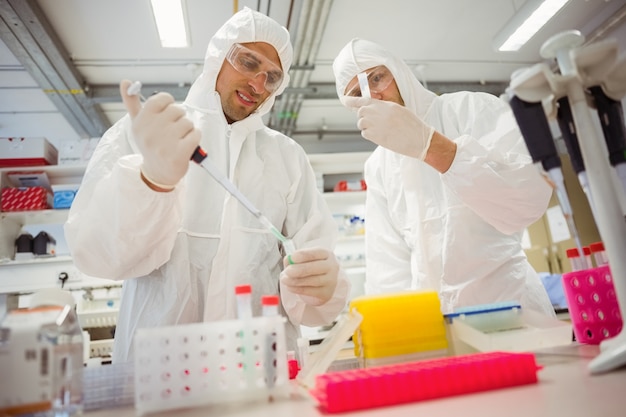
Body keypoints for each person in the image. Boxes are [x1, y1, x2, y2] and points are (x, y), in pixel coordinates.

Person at [65, 7, 350, 363]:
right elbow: (95, 255)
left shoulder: (286, 157)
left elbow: (312, 277)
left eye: (272, 77)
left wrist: (324, 287)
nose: (258, 84)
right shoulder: (150, 133)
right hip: (161, 374)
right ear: (218, 58)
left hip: (257, 375)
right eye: (248, 63)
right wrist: (149, 182)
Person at [332, 38, 555, 317]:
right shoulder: (378, 166)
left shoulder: (470, 109)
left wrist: (437, 149)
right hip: (437, 325)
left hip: (511, 308)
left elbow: (529, 198)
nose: (373, 95)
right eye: (357, 92)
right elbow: (388, 265)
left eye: (377, 77)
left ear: (399, 71)